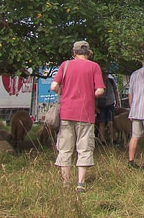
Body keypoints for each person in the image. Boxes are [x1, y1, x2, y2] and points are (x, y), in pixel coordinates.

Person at [51, 41, 105, 192]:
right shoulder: (94, 67)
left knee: (65, 147)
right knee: (84, 147)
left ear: (74, 52)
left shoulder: (65, 65)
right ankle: (80, 183)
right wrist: (89, 95)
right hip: (86, 113)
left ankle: (66, 182)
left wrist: (65, 93)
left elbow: (54, 86)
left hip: (67, 112)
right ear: (89, 53)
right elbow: (100, 90)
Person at [96, 68, 120, 145]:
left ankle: (113, 139)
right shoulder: (97, 81)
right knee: (101, 122)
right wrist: (95, 106)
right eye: (104, 74)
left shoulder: (111, 81)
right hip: (101, 104)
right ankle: (102, 140)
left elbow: (115, 91)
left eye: (106, 74)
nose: (105, 76)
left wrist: (117, 101)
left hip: (110, 104)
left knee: (111, 122)